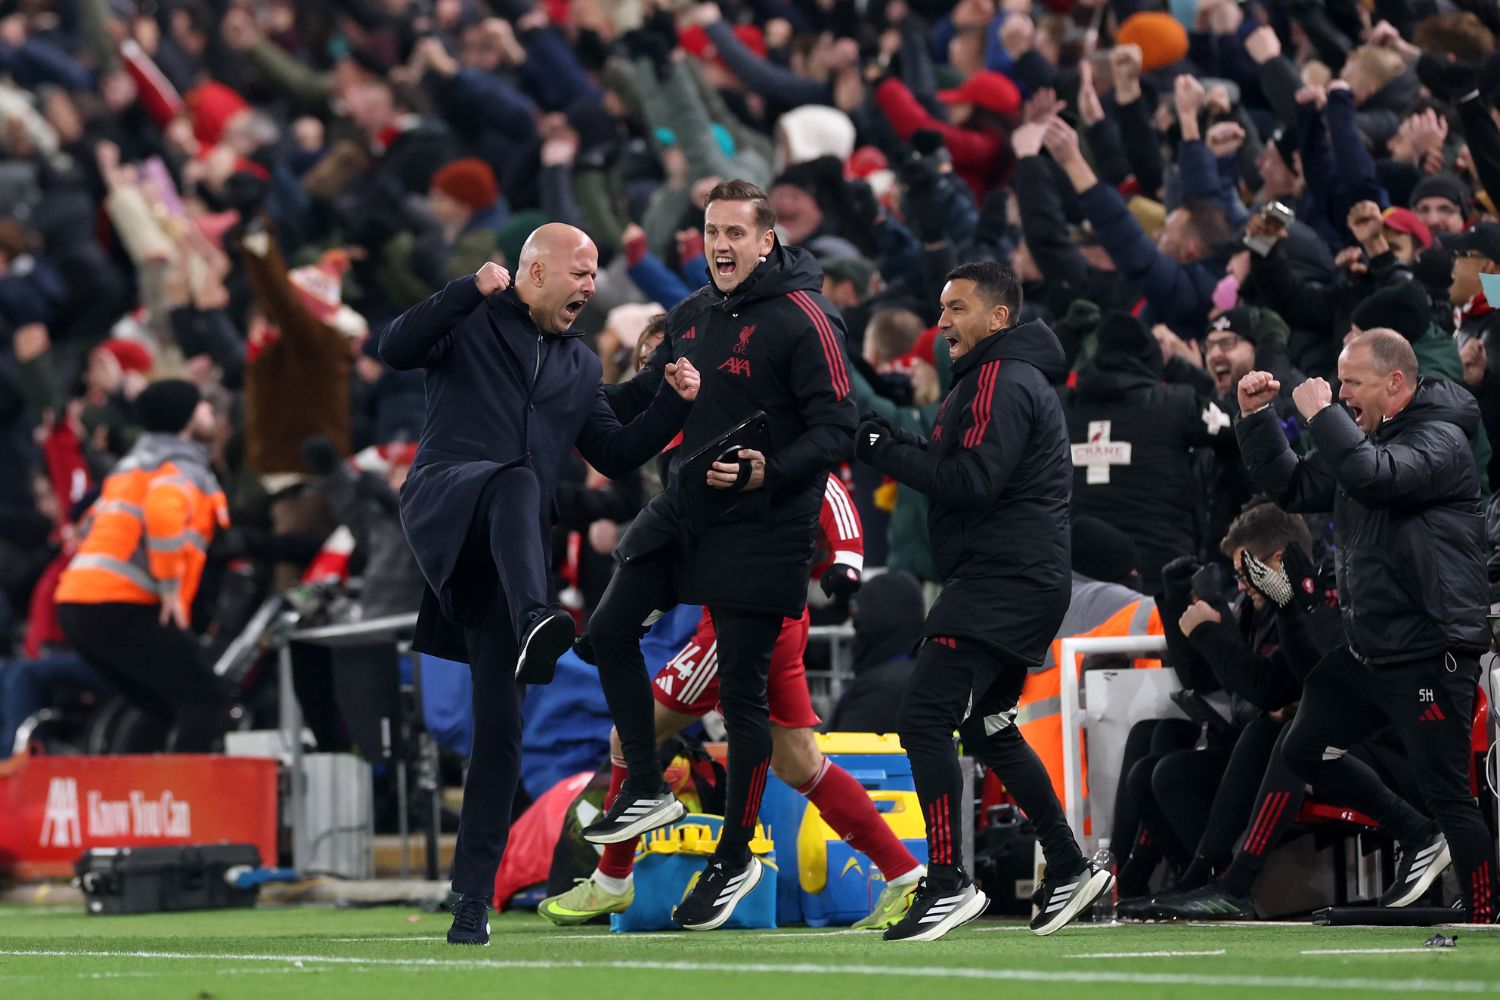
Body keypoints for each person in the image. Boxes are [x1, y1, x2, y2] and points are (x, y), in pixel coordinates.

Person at [377, 224, 701, 945]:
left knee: (502, 728)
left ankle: (470, 900)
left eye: (595, 276)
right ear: (533, 271)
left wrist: (675, 403)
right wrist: (464, 288)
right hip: (444, 504)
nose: (590, 285)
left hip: (509, 548)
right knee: (521, 478)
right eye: (580, 272)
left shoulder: (579, 363)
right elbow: (392, 349)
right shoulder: (471, 317)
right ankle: (535, 620)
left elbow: (614, 454)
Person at [580, 179, 857, 932]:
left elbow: (840, 430)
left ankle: (734, 855)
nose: (721, 245)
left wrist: (772, 468)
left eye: (736, 233)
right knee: (606, 630)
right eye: (711, 232)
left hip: (763, 526)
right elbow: (643, 392)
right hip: (683, 512)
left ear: (768, 240)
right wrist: (567, 400)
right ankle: (644, 781)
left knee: (744, 703)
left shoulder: (807, 318)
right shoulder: (695, 313)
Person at [542, 475, 926, 930]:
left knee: (630, 735)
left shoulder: (750, 421)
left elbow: (821, 479)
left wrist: (846, 557)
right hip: (771, 611)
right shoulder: (718, 430)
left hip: (742, 616)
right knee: (799, 763)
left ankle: (614, 879)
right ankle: (905, 874)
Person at [856, 261, 1111, 942]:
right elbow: (963, 466)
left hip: (1001, 577)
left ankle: (946, 881)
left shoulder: (1000, 378)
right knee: (987, 725)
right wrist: (894, 441)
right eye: (941, 309)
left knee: (924, 716)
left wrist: (882, 447)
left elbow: (970, 480)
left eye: (957, 308)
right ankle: (1067, 861)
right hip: (1024, 575)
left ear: (999, 317)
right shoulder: (1009, 376)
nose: (942, 323)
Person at [1234, 330, 1497, 922]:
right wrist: (1256, 419)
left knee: (1450, 794)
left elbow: (1375, 476)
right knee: (1302, 747)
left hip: (1430, 650)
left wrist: (1324, 413)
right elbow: (1297, 486)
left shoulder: (1441, 439)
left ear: (1395, 383)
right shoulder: (1366, 439)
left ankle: (1486, 917)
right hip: (1368, 651)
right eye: (1340, 381)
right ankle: (1415, 832)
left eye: (1353, 382)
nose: (1342, 391)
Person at [55, 379, 232, 753]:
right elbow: (163, 514)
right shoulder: (182, 466)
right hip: (119, 601)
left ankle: (133, 800)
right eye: (203, 406)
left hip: (76, 600)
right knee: (207, 698)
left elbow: (87, 522)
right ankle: (186, 804)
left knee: (161, 705)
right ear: (185, 418)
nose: (210, 413)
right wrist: (169, 588)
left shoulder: (132, 463)